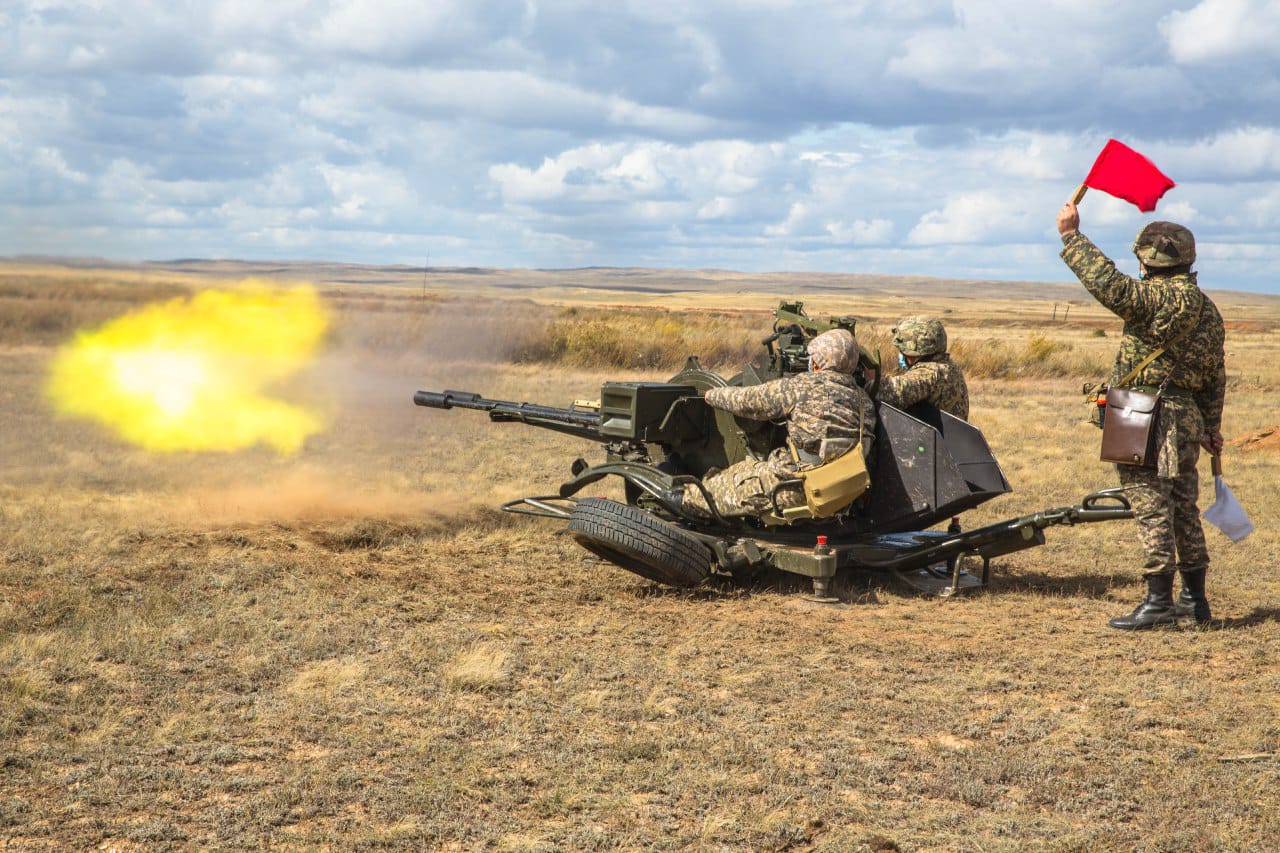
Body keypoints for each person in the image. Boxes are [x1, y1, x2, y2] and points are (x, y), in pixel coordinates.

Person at [1057, 201, 1226, 629]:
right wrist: (1210, 427)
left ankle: (1157, 604)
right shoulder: (1208, 312)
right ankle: (1195, 601)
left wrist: (1071, 237)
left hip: (1140, 414)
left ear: (1145, 258)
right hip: (1186, 419)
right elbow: (1214, 376)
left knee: (1151, 506)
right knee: (1184, 506)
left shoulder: (1150, 297)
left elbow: (1108, 284)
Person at [677, 328, 877, 519]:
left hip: (798, 488)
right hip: (846, 493)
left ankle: (684, 501)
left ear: (816, 364)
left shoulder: (801, 388)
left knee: (705, 495)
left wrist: (712, 395)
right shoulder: (864, 401)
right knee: (743, 471)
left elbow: (747, 401)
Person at [876, 316, 969, 420]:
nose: (901, 354)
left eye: (903, 350)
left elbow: (893, 393)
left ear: (915, 350)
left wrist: (869, 381)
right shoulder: (948, 365)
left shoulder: (930, 372)